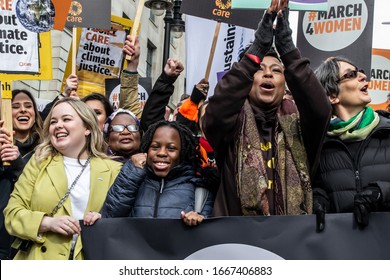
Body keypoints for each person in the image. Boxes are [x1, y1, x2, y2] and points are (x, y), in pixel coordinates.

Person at [202, 0, 331, 216]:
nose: (268, 74)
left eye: (276, 70)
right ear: (247, 80)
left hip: (291, 239)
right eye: (259, 69)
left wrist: (287, 48)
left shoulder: (300, 126)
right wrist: (258, 47)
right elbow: (217, 110)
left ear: (286, 81)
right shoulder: (231, 125)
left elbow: (320, 109)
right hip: (238, 241)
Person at [4, 98, 122, 260]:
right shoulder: (38, 162)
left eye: (66, 119)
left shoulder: (113, 170)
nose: (58, 125)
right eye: (53, 122)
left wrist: (103, 223)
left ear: (87, 128)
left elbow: (125, 222)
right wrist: (47, 223)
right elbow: (12, 214)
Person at [86, 120, 214, 227]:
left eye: (171, 148)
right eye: (155, 147)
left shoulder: (199, 187)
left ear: (183, 152)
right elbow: (110, 217)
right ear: (146, 149)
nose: (162, 153)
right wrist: (132, 173)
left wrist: (199, 219)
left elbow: (208, 234)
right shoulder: (134, 178)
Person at [313, 56, 390, 231]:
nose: (363, 77)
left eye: (360, 72)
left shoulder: (387, 131)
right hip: (347, 250)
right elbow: (319, 187)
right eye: (351, 74)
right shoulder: (322, 145)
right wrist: (319, 199)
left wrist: (381, 193)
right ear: (332, 96)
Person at [0, 89, 43, 259]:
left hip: (25, 238)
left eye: (28, 106)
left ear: (35, 114)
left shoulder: (46, 150)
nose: (23, 110)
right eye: (15, 106)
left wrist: (18, 164)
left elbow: (41, 188)